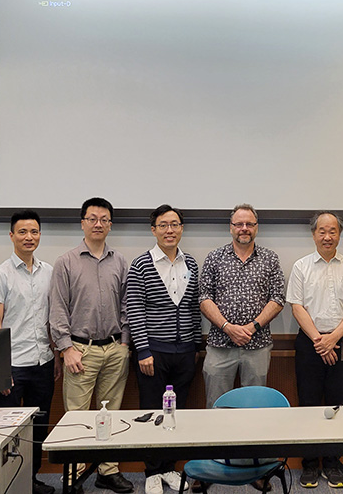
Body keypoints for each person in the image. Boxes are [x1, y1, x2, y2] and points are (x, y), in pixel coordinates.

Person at [49, 197, 133, 494]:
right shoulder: (66, 262)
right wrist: (66, 348)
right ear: (82, 223)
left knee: (111, 414)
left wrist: (125, 343)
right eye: (92, 219)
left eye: (104, 219)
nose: (98, 224)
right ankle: (75, 474)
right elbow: (58, 308)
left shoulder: (120, 261)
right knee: (77, 417)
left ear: (110, 225)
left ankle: (108, 471)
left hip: (114, 349)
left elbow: (127, 305)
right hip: (79, 351)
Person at [288, 211, 343, 489]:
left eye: (332, 231)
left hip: (341, 342)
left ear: (339, 234)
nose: (327, 236)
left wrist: (332, 338)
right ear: (314, 234)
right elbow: (297, 306)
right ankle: (310, 465)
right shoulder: (301, 266)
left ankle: (333, 464)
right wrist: (319, 341)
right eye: (322, 231)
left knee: (337, 404)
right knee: (308, 404)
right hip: (309, 342)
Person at [124, 205, 199, 494]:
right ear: (154, 230)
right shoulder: (141, 264)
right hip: (153, 352)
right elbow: (135, 309)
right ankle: (152, 471)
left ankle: (169, 467)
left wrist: (196, 345)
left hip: (185, 352)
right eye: (164, 225)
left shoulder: (190, 263)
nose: (170, 230)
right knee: (152, 411)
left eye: (175, 224)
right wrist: (143, 350)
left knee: (177, 412)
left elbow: (193, 308)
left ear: (181, 229)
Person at [0, 210, 57, 494]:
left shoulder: (49, 272)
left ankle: (31, 479)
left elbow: (51, 319)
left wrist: (55, 355)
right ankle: (8, 483)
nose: (29, 237)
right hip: (13, 365)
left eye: (34, 232)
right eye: (23, 232)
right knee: (8, 430)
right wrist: (0, 369)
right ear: (12, 235)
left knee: (39, 428)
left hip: (43, 362)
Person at [199, 203, 286, 409]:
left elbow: (278, 299)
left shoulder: (270, 259)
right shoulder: (214, 257)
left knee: (255, 408)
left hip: (258, 346)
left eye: (249, 224)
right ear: (231, 227)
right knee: (216, 406)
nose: (244, 228)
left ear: (257, 227)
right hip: (220, 345)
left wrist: (252, 327)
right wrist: (228, 327)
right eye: (239, 224)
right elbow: (204, 298)